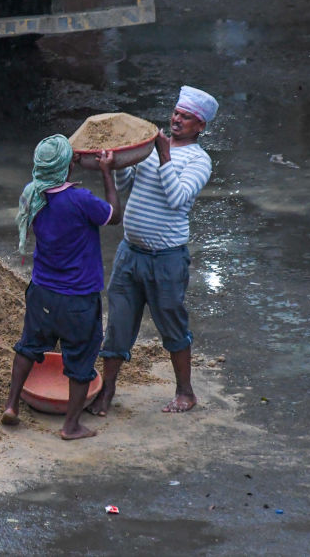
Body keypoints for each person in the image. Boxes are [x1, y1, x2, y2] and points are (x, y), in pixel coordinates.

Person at [87, 85, 217, 416]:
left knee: (172, 325)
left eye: (187, 117)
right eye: (176, 113)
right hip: (130, 253)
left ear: (200, 126)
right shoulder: (152, 147)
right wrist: (115, 165)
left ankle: (185, 392)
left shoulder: (200, 161)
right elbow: (127, 185)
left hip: (167, 259)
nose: (177, 120)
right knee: (117, 325)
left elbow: (177, 199)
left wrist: (164, 156)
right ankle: (108, 390)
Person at [1, 134, 121, 440]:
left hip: (41, 291)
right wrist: (106, 172)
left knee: (29, 345)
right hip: (78, 298)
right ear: (68, 169)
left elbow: (51, 187)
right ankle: (71, 426)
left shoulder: (32, 195)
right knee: (80, 358)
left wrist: (65, 167)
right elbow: (113, 215)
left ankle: (12, 404)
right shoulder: (81, 200)